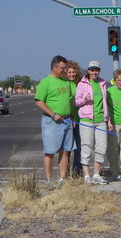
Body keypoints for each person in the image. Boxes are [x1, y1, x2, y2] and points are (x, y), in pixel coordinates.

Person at [35, 55, 75, 183]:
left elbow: (72, 99)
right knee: (50, 151)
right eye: (63, 68)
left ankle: (62, 178)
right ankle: (48, 180)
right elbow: (39, 102)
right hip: (52, 121)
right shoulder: (46, 82)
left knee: (65, 151)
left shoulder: (66, 82)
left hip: (67, 121)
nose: (65, 71)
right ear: (54, 67)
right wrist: (53, 114)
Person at [75, 61, 113, 185]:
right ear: (88, 71)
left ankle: (97, 174)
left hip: (101, 120)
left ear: (99, 71)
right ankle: (87, 175)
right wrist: (84, 100)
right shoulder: (82, 84)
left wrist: (109, 120)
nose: (94, 72)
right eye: (92, 70)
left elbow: (106, 102)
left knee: (101, 147)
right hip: (87, 120)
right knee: (87, 146)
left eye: (96, 70)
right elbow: (76, 102)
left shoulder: (102, 83)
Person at [66, 60, 83, 177]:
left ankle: (77, 173)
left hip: (80, 121)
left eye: (74, 72)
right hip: (67, 121)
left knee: (79, 149)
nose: (72, 74)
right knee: (66, 150)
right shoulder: (64, 85)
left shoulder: (80, 84)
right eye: (69, 72)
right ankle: (65, 174)